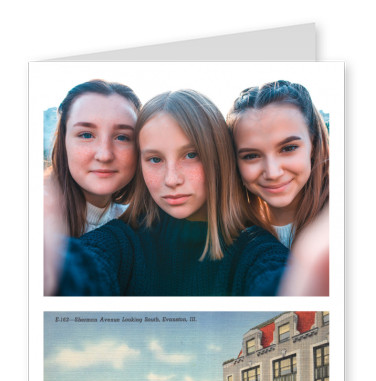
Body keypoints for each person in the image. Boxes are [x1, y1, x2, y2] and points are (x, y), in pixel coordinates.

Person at [47, 89, 289, 296]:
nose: (171, 179)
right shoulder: (122, 241)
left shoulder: (257, 251)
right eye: (155, 159)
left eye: (191, 155)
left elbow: (280, 283)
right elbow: (85, 267)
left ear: (219, 157)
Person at [227, 80, 329, 249]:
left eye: (288, 148)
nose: (273, 172)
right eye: (251, 155)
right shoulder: (232, 237)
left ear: (314, 144)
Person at [47, 79, 141, 237]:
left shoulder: (141, 226)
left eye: (122, 137)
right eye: (86, 135)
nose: (104, 155)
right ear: (64, 142)